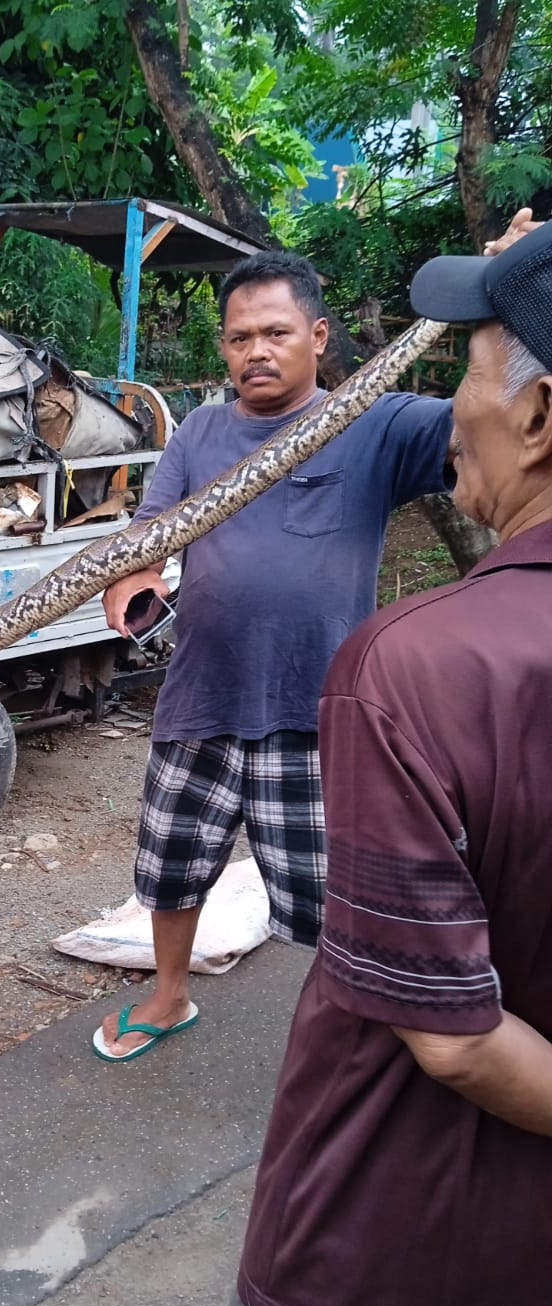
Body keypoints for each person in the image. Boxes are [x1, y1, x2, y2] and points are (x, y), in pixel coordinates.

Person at [199, 219, 552, 1306]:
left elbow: (451, 1038)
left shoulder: (412, 668)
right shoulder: (197, 437)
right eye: (237, 334)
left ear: (540, 417)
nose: (458, 410)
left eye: (471, 373)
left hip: (376, 1259)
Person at [93, 247, 454, 1061]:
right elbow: (150, 531)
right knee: (172, 865)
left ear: (318, 336)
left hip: (318, 706)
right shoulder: (201, 431)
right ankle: (169, 993)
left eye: (275, 332)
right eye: (237, 337)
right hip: (203, 694)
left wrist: (504, 295)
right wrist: (134, 576)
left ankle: (346, 1033)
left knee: (329, 891)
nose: (255, 351)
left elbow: (483, 425)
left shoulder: (375, 422)